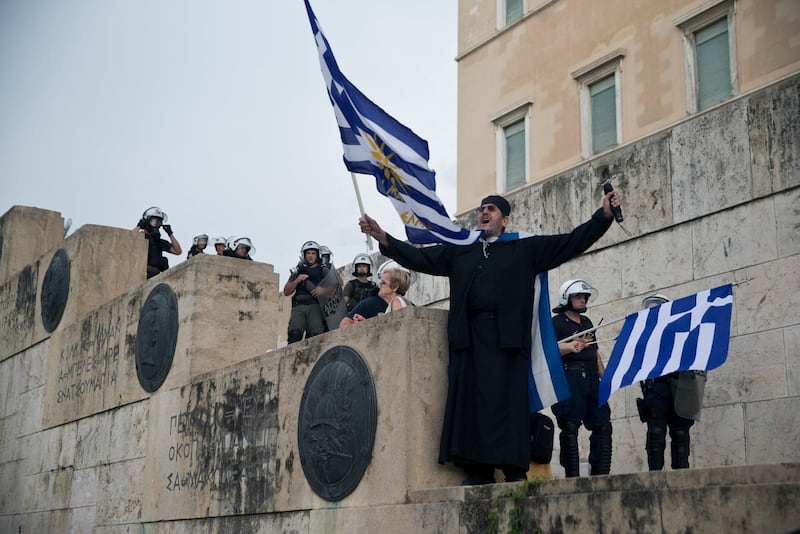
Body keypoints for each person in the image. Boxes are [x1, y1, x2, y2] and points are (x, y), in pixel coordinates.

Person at [358, 190, 621, 485]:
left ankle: (513, 469)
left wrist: (604, 217)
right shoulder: (461, 249)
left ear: (505, 219)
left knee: (510, 406)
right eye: (482, 208)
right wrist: (384, 238)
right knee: (470, 405)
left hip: (508, 342)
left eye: (492, 209)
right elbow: (420, 258)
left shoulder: (525, 248)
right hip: (469, 341)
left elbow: (571, 242)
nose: (484, 212)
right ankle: (477, 470)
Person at [551, 279, 612, 478]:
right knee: (570, 425)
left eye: (584, 296)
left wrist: (606, 376)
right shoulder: (557, 322)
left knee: (603, 423)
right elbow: (547, 350)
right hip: (570, 376)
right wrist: (570, 346)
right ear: (566, 298)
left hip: (592, 378)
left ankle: (601, 474)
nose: (583, 299)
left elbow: (594, 352)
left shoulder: (587, 323)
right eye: (578, 296)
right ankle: (573, 477)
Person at [638, 294, 705, 471]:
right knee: (656, 432)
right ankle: (655, 475)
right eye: (650, 308)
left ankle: (682, 475)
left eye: (657, 308)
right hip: (656, 387)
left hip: (681, 386)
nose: (653, 311)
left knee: (680, 433)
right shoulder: (644, 333)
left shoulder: (682, 330)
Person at [339, 260, 412, 328]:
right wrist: (365, 325)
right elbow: (344, 324)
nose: (379, 286)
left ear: (395, 286)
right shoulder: (370, 302)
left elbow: (396, 328)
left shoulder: (396, 301)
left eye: (383, 283)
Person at [283, 240, 329, 343]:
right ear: (304, 255)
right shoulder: (298, 270)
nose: (310, 256)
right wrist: (297, 280)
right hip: (299, 307)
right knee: (294, 335)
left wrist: (322, 289)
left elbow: (336, 286)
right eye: (308, 253)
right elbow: (286, 291)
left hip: (316, 306)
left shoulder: (323, 270)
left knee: (315, 338)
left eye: (313, 253)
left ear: (317, 255)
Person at [133, 206, 182, 279]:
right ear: (147, 221)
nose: (156, 225)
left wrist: (170, 234)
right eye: (154, 222)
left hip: (155, 277)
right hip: (141, 274)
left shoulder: (158, 242)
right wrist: (139, 226)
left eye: (159, 222)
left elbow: (178, 251)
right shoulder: (140, 237)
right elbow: (128, 240)